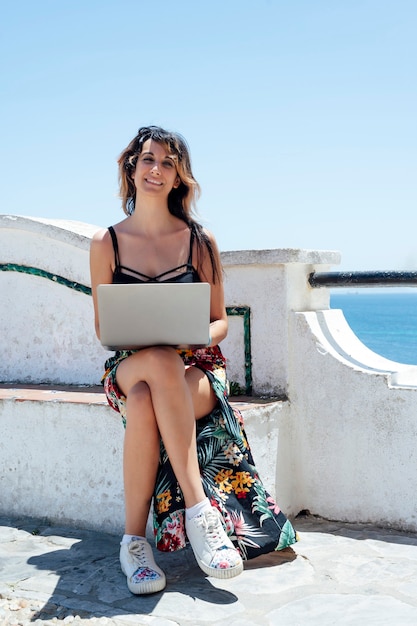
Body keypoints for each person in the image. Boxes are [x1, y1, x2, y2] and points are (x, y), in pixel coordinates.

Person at [90, 125, 297, 595]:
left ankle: (133, 545)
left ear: (180, 176)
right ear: (131, 167)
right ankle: (200, 512)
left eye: (167, 162)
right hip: (129, 364)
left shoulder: (200, 242)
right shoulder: (107, 244)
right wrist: (155, 343)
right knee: (155, 363)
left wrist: (185, 337)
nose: (156, 169)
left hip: (196, 366)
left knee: (148, 397)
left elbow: (219, 322)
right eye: (147, 159)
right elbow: (104, 329)